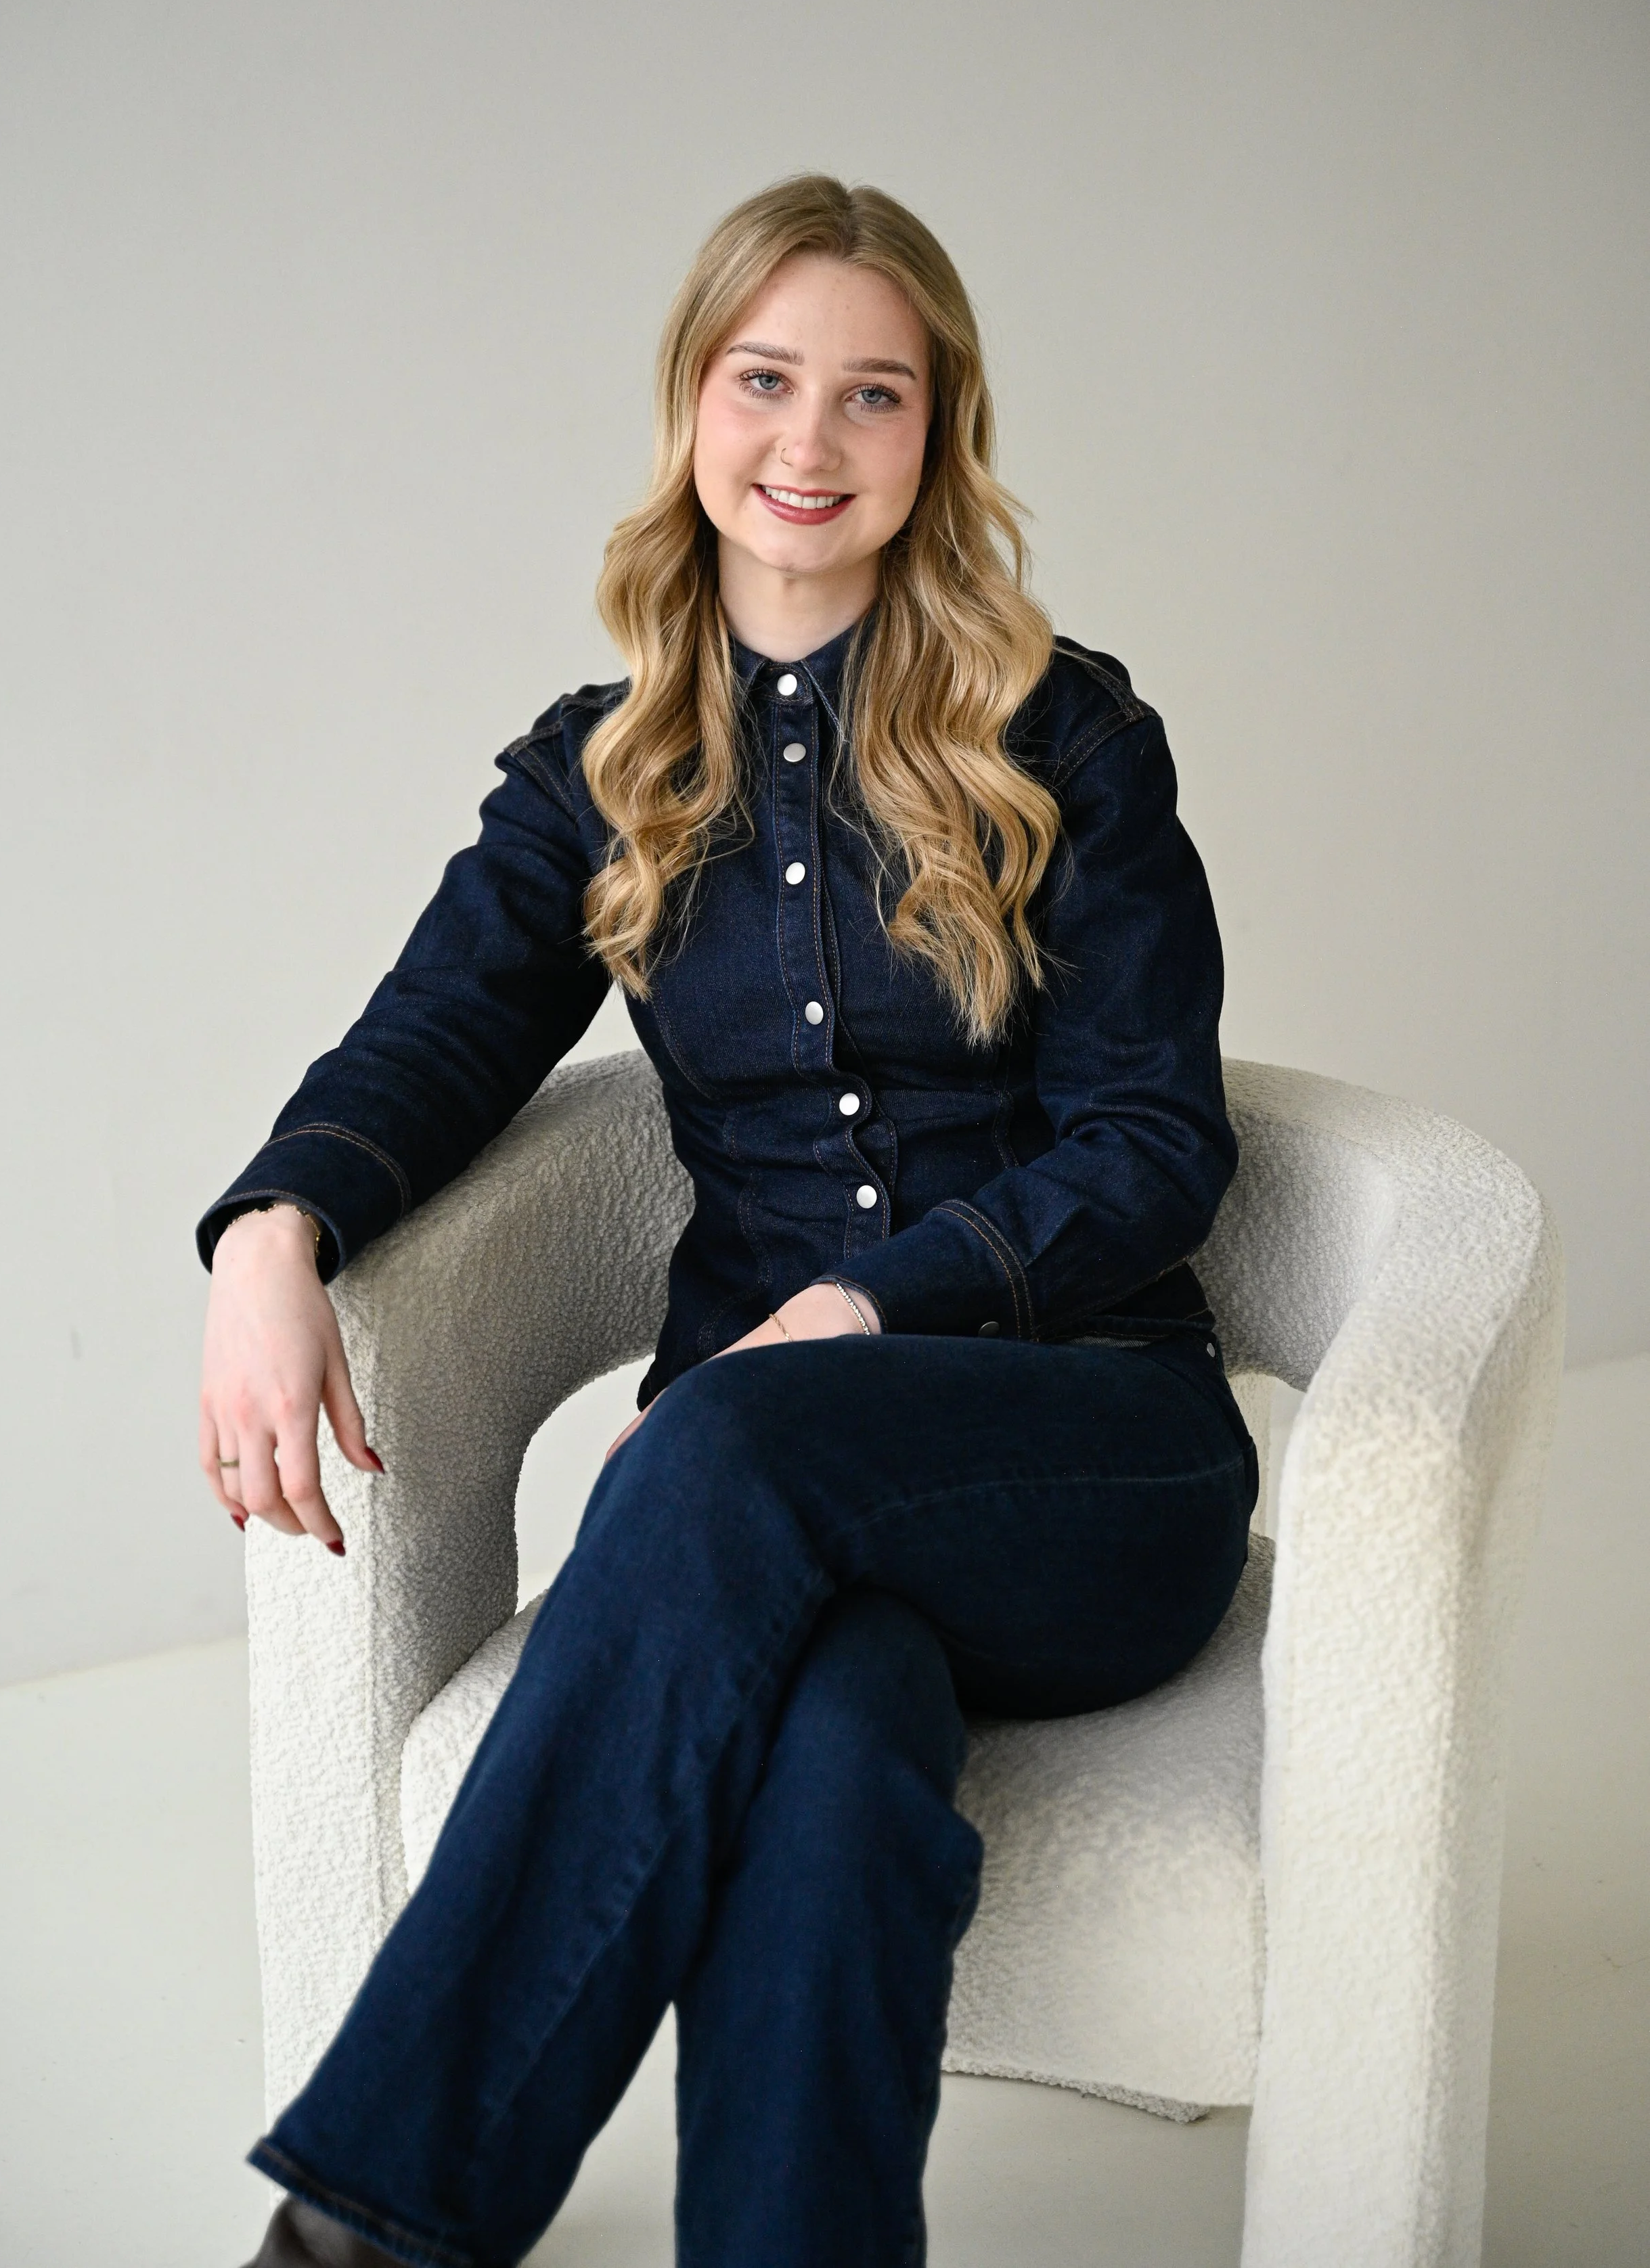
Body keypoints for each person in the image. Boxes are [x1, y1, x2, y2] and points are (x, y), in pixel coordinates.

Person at [198, 174, 1255, 2268]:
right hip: (760, 1510)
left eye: (873, 395)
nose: (808, 440)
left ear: (936, 434)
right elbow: (424, 1044)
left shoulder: (1068, 735)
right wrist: (270, 1231)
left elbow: (1155, 1142)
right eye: (765, 379)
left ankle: (366, 2224)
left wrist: (870, 1308)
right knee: (832, 1768)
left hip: (1086, 1454)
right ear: (690, 401)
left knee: (727, 1437)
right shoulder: (605, 773)